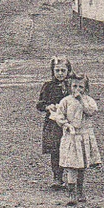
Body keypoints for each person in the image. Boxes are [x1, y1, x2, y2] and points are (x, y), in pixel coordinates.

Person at [50, 74, 102, 204]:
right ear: (70, 87)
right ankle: (71, 193)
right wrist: (65, 124)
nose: (77, 89)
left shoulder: (88, 100)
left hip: (84, 136)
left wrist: (81, 101)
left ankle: (80, 191)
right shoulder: (66, 101)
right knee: (71, 166)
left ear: (85, 88)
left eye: (81, 87)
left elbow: (91, 111)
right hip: (71, 137)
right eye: (74, 86)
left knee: (81, 167)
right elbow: (59, 116)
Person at [36, 57, 73, 189]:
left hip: (70, 122)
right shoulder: (48, 86)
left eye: (63, 70)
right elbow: (39, 104)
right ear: (53, 71)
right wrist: (48, 106)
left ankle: (71, 178)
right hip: (53, 123)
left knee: (70, 148)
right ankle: (57, 177)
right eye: (57, 70)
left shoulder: (72, 86)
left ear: (68, 71)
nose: (60, 73)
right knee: (55, 150)